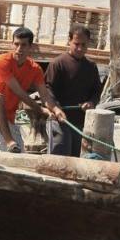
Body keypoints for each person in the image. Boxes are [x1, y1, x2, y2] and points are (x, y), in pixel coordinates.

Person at [0, 27, 66, 152]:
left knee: (19, 152)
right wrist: (40, 109)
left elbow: (45, 95)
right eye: (16, 44)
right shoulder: (2, 60)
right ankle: (9, 142)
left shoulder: (35, 69)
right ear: (12, 44)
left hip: (8, 115)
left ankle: (9, 150)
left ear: (30, 47)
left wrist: (55, 109)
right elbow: (19, 92)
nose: (19, 49)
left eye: (23, 45)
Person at [45, 25, 103, 156]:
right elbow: (47, 90)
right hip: (60, 120)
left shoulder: (91, 67)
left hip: (80, 122)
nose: (80, 48)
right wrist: (55, 109)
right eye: (76, 44)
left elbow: (96, 91)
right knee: (60, 158)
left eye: (84, 45)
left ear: (88, 43)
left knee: (76, 157)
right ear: (69, 41)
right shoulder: (57, 63)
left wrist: (91, 103)